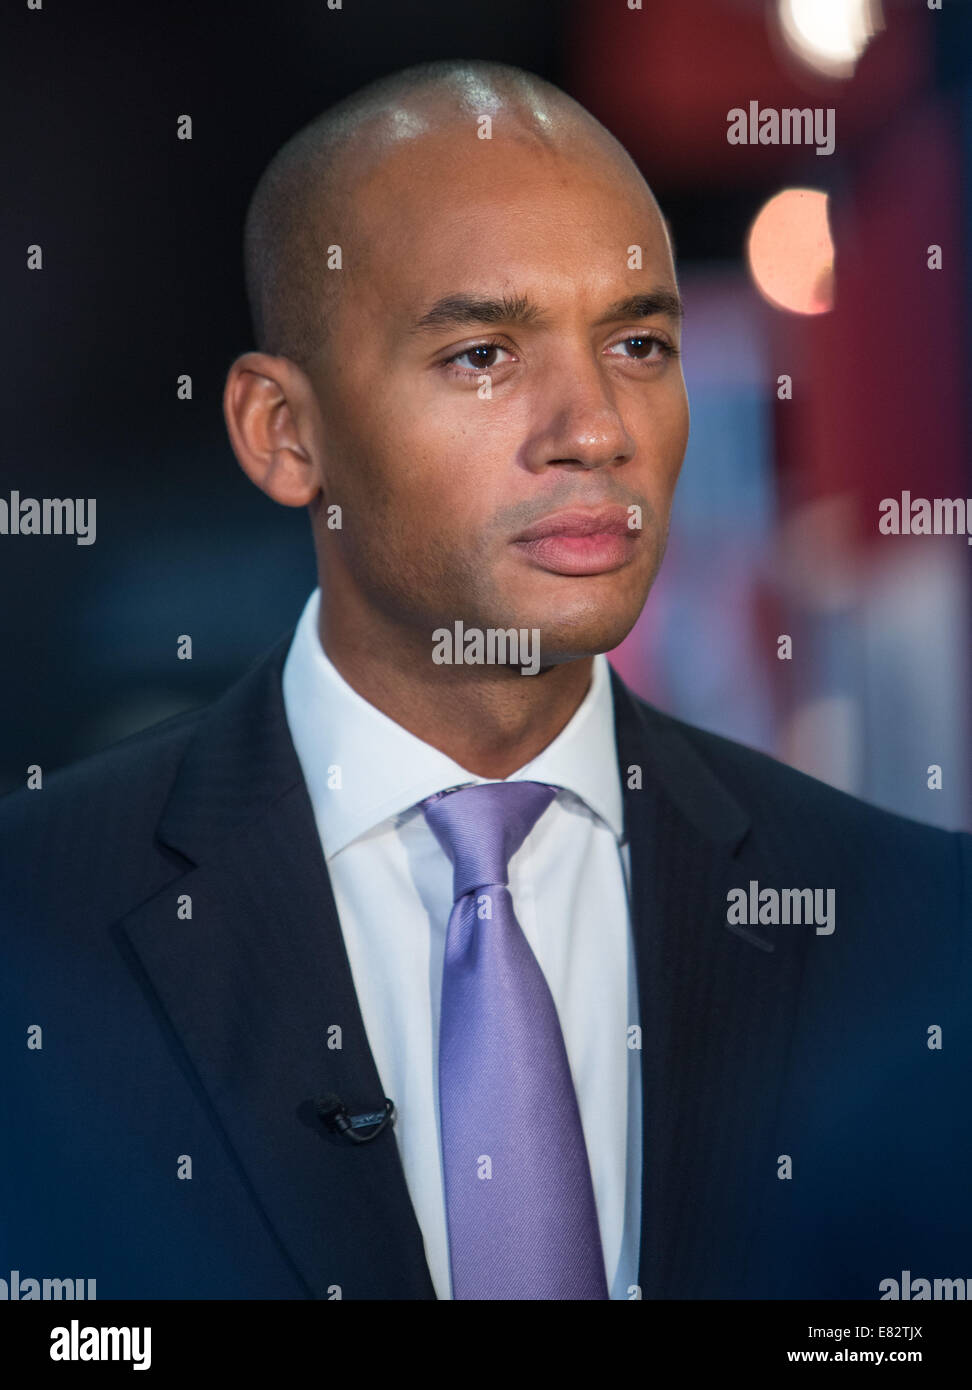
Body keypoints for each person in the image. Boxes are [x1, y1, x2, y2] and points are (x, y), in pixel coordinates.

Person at [1, 59, 969, 1302]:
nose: (593, 425)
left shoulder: (918, 925)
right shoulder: (33, 925)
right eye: (481, 355)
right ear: (282, 435)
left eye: (637, 340)